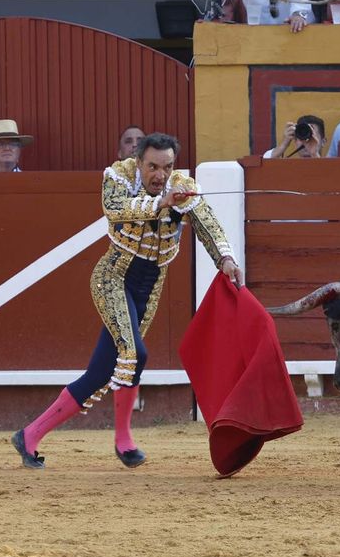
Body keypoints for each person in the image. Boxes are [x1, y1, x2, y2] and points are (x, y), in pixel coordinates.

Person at [12, 133, 241, 471]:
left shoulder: (182, 187)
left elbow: (208, 224)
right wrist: (160, 203)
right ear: (138, 162)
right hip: (113, 277)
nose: (160, 175)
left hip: (149, 287)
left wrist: (226, 259)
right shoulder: (118, 176)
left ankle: (29, 435)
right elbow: (115, 209)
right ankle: (124, 441)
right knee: (134, 354)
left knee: (100, 373)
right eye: (153, 167)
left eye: (167, 167)